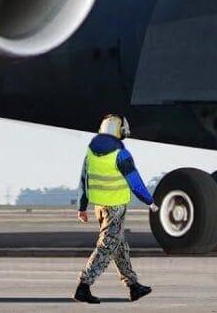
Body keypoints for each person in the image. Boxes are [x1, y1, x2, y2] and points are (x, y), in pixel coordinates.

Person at [74, 114, 158, 304]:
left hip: (100, 207)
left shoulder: (91, 152)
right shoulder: (120, 154)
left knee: (119, 246)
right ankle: (83, 285)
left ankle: (133, 286)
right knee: (106, 247)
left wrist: (82, 207)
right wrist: (149, 201)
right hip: (115, 208)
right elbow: (135, 182)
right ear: (118, 130)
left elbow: (84, 179)